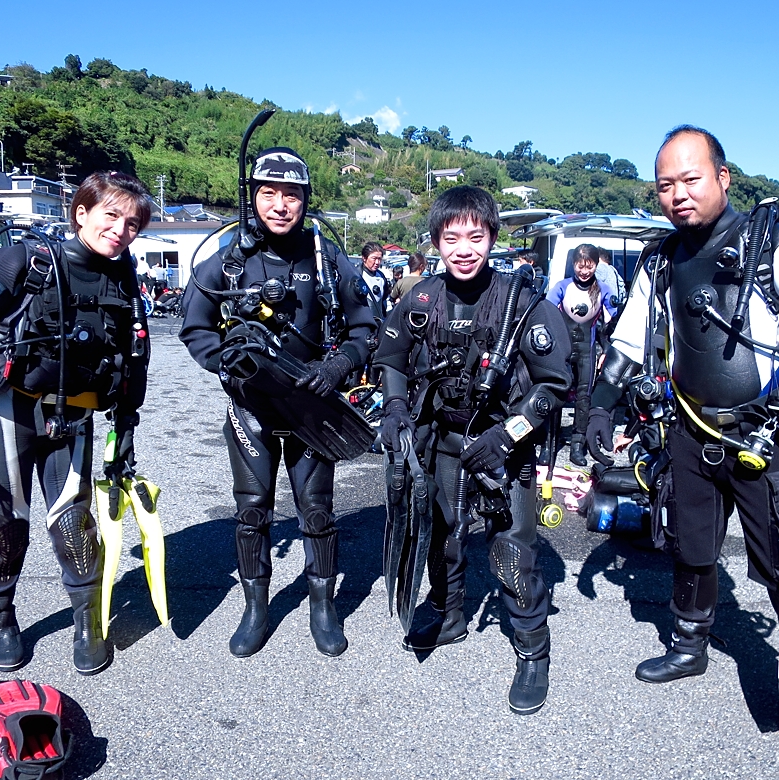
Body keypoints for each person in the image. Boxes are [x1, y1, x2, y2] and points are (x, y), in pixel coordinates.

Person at [586, 126, 779, 763]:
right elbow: (629, 340)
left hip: (765, 433)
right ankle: (689, 644)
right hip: (688, 428)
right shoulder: (661, 259)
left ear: (723, 177)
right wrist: (599, 404)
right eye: (665, 185)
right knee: (691, 542)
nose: (678, 195)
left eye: (691, 179)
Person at [0, 171, 154, 676]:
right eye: (111, 215)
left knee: (75, 527)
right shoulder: (26, 262)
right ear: (82, 213)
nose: (120, 230)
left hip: (74, 416)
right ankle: (1, 620)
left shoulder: (123, 278)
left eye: (132, 223)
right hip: (9, 410)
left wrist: (126, 428)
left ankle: (85, 622)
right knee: (6, 528)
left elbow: (131, 355)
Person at [374, 185, 572, 715]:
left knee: (511, 552)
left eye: (475, 236)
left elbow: (554, 386)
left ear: (492, 237)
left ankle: (532, 648)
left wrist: (507, 434)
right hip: (443, 442)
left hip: (507, 447)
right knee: (443, 537)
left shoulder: (523, 304)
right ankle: (450, 614)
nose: (464, 248)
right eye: (451, 237)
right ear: (436, 240)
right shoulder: (420, 299)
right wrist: (395, 409)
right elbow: (391, 356)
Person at [181, 146, 376, 658]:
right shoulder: (228, 258)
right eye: (269, 192)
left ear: (305, 201)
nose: (280, 204)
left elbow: (365, 326)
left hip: (312, 404)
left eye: (291, 194)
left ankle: (322, 605)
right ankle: (256, 607)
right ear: (253, 196)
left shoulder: (325, 256)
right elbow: (194, 327)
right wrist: (225, 365)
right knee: (252, 513)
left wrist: (336, 368)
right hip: (251, 407)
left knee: (317, 511)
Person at [547, 244, 617, 466]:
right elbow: (546, 313)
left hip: (588, 350)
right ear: (573, 265)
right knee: (557, 394)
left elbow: (613, 324)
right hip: (563, 349)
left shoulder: (604, 289)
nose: (584, 271)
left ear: (596, 265)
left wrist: (607, 351)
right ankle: (550, 443)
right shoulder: (563, 286)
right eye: (580, 266)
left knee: (584, 398)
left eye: (589, 266)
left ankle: (578, 444)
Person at [358, 241, 390, 320]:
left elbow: (385, 297)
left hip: (379, 322)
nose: (377, 262)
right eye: (374, 258)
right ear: (364, 258)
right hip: (361, 323)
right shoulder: (356, 275)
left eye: (379, 259)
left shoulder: (381, 276)